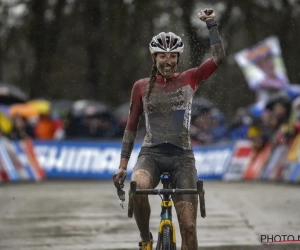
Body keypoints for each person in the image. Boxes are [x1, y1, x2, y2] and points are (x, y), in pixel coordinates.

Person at [112, 8, 225, 250]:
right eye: (162, 56)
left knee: (189, 228)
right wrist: (122, 166)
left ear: (178, 58)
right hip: (151, 155)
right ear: (153, 57)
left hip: (182, 158)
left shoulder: (189, 78)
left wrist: (211, 24)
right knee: (138, 189)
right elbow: (131, 127)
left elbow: (218, 59)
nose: (168, 60)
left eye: (173, 56)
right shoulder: (141, 87)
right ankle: (146, 239)